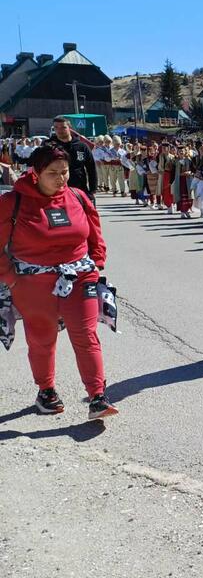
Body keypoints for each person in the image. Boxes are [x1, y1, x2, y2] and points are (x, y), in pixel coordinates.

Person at [0, 145, 118, 419]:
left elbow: (94, 233)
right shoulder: (12, 202)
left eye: (64, 172)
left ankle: (97, 396)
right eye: (53, 173)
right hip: (33, 283)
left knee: (86, 334)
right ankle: (46, 391)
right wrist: (10, 280)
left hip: (79, 277)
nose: (61, 178)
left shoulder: (77, 197)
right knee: (42, 338)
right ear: (36, 172)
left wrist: (97, 261)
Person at [48, 116, 97, 203]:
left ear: (70, 128)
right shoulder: (49, 146)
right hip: (55, 191)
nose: (59, 130)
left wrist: (93, 189)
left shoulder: (81, 146)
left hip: (79, 189)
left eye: (63, 127)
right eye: (56, 127)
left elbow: (91, 168)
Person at [172, 147, 195, 219]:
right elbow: (172, 172)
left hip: (187, 180)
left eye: (182, 151)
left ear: (185, 152)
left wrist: (189, 172)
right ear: (177, 152)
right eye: (179, 151)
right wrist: (171, 182)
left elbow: (193, 170)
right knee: (181, 195)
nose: (181, 152)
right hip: (179, 181)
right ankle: (182, 212)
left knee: (189, 196)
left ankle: (187, 211)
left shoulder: (189, 160)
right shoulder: (175, 161)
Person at [159, 143, 177, 214]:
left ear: (168, 149)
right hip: (164, 175)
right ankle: (168, 206)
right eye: (163, 148)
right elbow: (159, 166)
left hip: (170, 175)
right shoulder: (160, 156)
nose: (163, 149)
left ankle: (171, 205)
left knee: (171, 191)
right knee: (165, 191)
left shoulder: (172, 157)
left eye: (165, 148)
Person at [144, 143, 163, 209]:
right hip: (150, 176)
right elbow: (144, 167)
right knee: (152, 190)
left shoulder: (157, 158)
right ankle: (152, 203)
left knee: (158, 190)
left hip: (157, 175)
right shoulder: (146, 159)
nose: (151, 153)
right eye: (150, 151)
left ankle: (159, 203)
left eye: (152, 151)